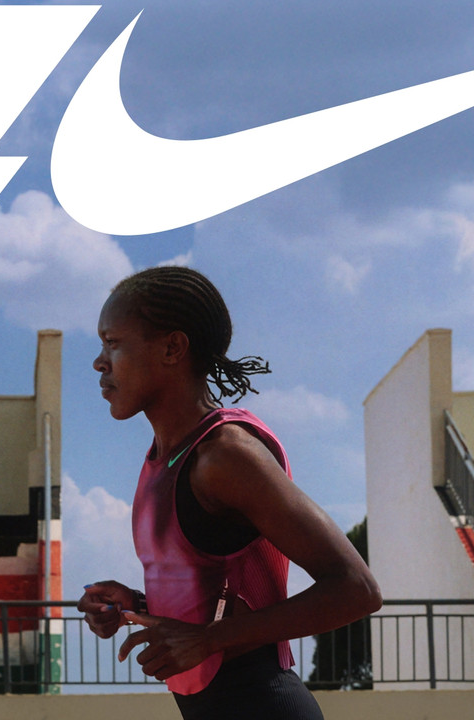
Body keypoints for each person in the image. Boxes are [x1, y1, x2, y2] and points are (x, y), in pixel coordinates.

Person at [78, 266, 382, 720]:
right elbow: (214, 597)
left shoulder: (225, 455)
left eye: (113, 343)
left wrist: (207, 640)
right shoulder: (167, 458)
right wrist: (136, 606)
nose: (100, 362)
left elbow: (357, 589)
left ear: (172, 348)